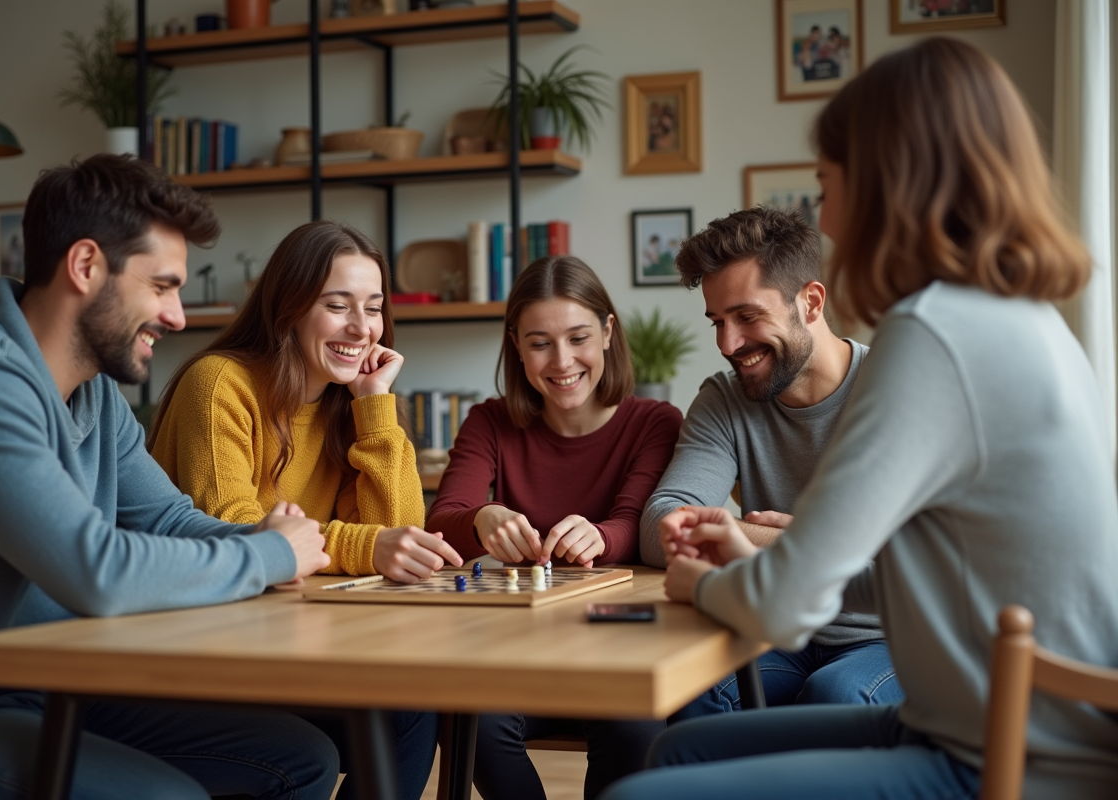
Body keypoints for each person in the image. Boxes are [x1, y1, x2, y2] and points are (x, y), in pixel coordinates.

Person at [602, 37, 1118, 800]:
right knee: (677, 753)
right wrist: (758, 550)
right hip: (965, 723)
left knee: (638, 794)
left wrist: (698, 585)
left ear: (886, 180)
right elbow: (906, 575)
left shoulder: (934, 337)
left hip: (1013, 758)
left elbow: (787, 604)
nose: (826, 212)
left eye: (827, 181)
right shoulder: (1017, 318)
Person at [0, 154, 338, 800]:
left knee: (302, 758)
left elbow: (169, 520)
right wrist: (267, 555)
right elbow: (97, 571)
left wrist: (265, 539)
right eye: (163, 286)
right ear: (86, 266)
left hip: (58, 684)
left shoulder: (95, 394)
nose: (178, 316)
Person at [148, 219, 454, 800]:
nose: (362, 328)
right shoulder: (219, 383)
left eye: (374, 308)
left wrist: (374, 406)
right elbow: (232, 526)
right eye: (337, 306)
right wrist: (366, 547)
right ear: (287, 309)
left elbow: (400, 535)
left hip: (287, 646)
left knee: (413, 707)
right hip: (199, 655)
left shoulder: (345, 404)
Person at [427, 255, 683, 800]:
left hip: (619, 649)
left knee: (635, 724)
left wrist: (603, 536)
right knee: (467, 718)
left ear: (608, 332)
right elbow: (444, 522)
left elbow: (638, 525)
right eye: (540, 343)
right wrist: (482, 518)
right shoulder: (489, 421)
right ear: (516, 346)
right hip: (521, 653)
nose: (562, 361)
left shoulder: (655, 422)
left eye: (578, 338)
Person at [640, 205, 900, 720]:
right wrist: (783, 541)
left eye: (747, 316)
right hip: (774, 632)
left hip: (885, 639)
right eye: (718, 322)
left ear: (811, 302)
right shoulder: (724, 399)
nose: (727, 344)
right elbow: (659, 527)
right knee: (687, 691)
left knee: (834, 697)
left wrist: (772, 543)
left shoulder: (893, 389)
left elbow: (922, 564)